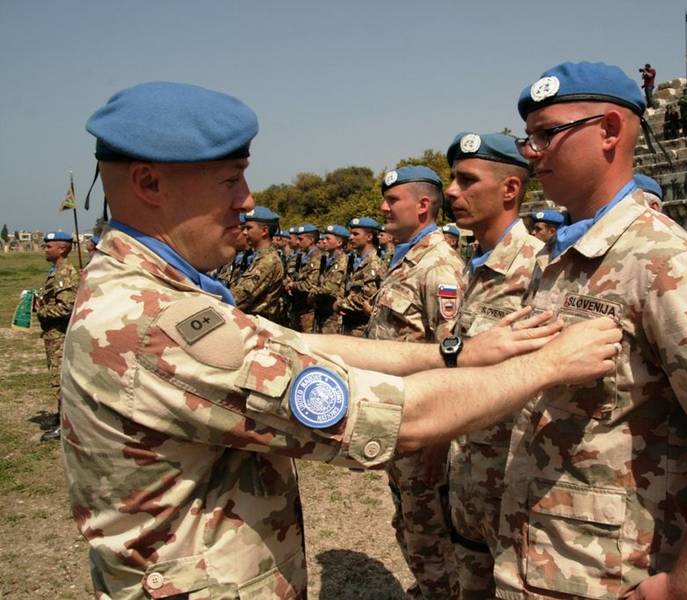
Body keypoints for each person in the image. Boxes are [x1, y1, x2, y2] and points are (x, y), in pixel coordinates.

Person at [63, 81, 623, 600]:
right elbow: (402, 419)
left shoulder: (151, 293)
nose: (245, 200)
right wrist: (545, 365)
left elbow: (291, 343)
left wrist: (455, 353)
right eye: (230, 179)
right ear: (149, 184)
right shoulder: (150, 318)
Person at [497, 60, 687, 600]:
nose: (530, 152)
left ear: (609, 131)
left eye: (547, 135)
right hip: (539, 555)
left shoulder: (668, 262)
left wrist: (685, 584)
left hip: (612, 574)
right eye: (528, 136)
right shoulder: (559, 258)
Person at [443, 131, 544, 598]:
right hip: (466, 471)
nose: (451, 192)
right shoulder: (473, 265)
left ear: (510, 190)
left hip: (513, 487)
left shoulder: (540, 270)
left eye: (467, 180)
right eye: (451, 180)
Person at [368, 165, 467, 599]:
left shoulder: (440, 267)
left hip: (425, 429)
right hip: (398, 421)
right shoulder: (405, 258)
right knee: (408, 524)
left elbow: (454, 363)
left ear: (423, 206)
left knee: (429, 534)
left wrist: (439, 443)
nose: (383, 208)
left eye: (393, 201)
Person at [34, 230, 80, 442]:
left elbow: (66, 307)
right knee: (59, 378)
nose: (45, 249)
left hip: (60, 334)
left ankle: (66, 425)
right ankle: (63, 417)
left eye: (48, 246)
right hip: (54, 334)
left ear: (61, 249)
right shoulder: (57, 271)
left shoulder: (64, 273)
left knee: (61, 380)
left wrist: (41, 311)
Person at [231, 206, 284, 322]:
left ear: (264, 231)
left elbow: (238, 298)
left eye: (248, 228)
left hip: (258, 326)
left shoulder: (268, 261)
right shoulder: (259, 257)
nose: (244, 232)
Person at [336, 217, 386, 336]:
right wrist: (340, 300)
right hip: (348, 323)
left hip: (362, 328)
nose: (350, 237)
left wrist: (341, 304)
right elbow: (344, 285)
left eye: (355, 234)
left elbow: (367, 297)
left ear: (369, 237)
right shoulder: (352, 260)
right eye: (350, 234)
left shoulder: (374, 263)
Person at [312, 224, 350, 334]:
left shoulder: (343, 261)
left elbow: (330, 288)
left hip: (333, 314)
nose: (324, 241)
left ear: (339, 243)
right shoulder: (328, 259)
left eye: (327, 239)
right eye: (323, 238)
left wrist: (312, 292)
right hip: (323, 310)